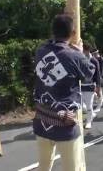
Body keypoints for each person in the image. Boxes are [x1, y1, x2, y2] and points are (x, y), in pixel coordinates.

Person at [33, 14, 95, 171]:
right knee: (71, 168)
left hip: (43, 118)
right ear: (73, 33)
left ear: (53, 32)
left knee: (43, 166)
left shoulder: (40, 51)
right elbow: (89, 74)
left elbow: (51, 47)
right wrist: (81, 53)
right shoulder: (74, 56)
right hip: (65, 122)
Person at [81, 44, 101, 129]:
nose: (82, 52)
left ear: (87, 50)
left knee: (89, 106)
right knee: (81, 106)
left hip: (90, 86)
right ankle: (92, 114)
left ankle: (89, 121)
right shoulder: (80, 59)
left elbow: (97, 75)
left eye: (83, 50)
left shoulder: (94, 61)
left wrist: (98, 88)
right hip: (80, 85)